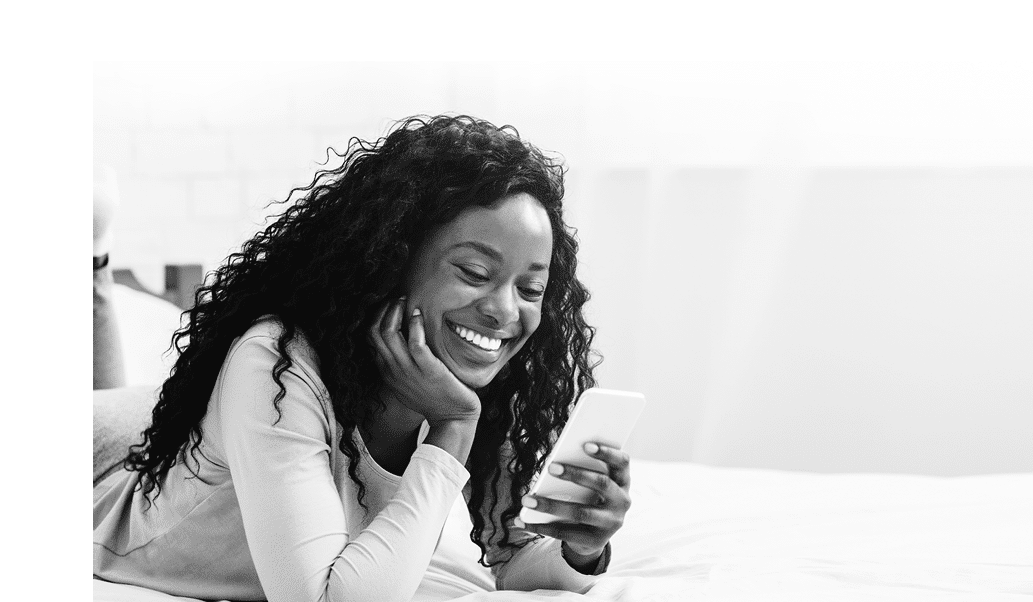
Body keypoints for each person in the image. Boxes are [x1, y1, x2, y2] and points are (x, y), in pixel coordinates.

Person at [93, 116, 631, 602]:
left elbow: (511, 561)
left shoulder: (480, 377)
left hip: (190, 432)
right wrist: (453, 427)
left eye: (531, 289)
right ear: (393, 260)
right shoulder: (276, 366)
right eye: (474, 272)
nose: (504, 312)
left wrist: (580, 549)